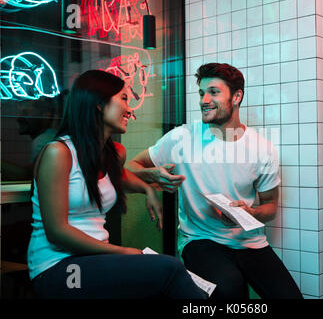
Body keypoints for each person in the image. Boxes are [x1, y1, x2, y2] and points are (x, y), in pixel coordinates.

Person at [127, 63, 303, 299]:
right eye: (201, 93)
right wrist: (152, 178)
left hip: (249, 242)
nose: (204, 100)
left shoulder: (263, 148)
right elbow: (131, 166)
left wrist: (250, 212)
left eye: (213, 92)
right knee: (230, 289)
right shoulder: (182, 138)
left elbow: (270, 207)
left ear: (237, 96)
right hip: (200, 239)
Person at [27, 70, 206, 299]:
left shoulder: (112, 154)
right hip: (60, 270)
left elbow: (118, 176)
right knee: (169, 270)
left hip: (96, 262)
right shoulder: (58, 153)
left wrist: (147, 188)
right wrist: (123, 252)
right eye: (123, 99)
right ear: (100, 104)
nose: (130, 110)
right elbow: (57, 232)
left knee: (168, 279)